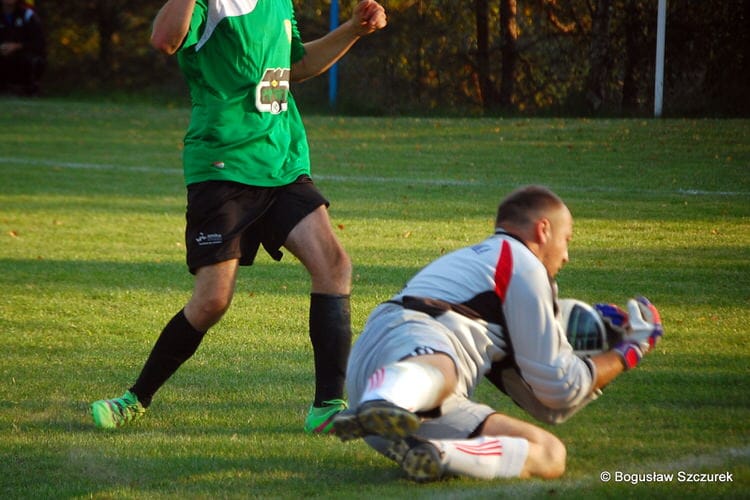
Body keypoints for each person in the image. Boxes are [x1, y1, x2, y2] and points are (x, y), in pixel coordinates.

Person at [90, 0, 387, 434]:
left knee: (334, 266)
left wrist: (354, 30)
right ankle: (135, 398)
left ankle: (328, 407)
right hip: (223, 167)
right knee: (212, 301)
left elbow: (296, 66)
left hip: (281, 163)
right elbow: (165, 40)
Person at [332, 185, 663, 481]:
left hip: (400, 397)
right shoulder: (521, 261)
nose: (566, 255)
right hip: (411, 352)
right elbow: (559, 383)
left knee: (549, 454)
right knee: (444, 370)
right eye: (567, 240)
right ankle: (384, 401)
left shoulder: (484, 270)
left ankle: (436, 454)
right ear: (543, 229)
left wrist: (603, 351)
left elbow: (549, 404)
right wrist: (629, 352)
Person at [0, 0, 45, 96]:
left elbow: (39, 42)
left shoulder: (27, 14)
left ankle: (28, 89)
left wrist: (17, 46)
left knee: (34, 60)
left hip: (22, 57)